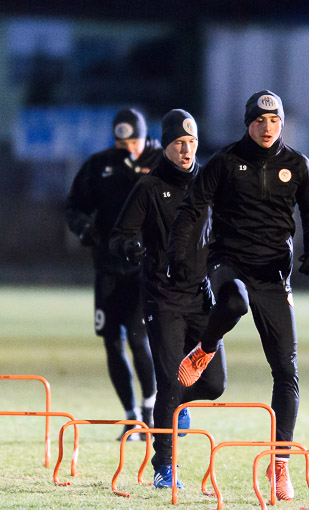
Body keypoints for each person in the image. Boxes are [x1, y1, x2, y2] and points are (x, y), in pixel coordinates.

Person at [168, 91, 309, 501]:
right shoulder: (224, 162)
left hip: (273, 277)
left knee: (287, 370)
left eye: (274, 121)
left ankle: (279, 464)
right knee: (233, 301)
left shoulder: (298, 165)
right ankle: (204, 350)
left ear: (282, 123)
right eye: (259, 121)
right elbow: (191, 208)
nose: (267, 128)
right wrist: (177, 254)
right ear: (248, 123)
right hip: (228, 263)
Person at [110, 109, 226, 489]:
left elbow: (225, 228)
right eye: (179, 143)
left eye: (191, 142)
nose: (186, 150)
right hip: (162, 298)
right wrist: (131, 248)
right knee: (169, 382)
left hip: (201, 297)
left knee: (214, 383)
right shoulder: (149, 187)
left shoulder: (209, 183)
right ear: (166, 146)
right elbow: (119, 236)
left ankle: (177, 404)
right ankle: (163, 465)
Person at [64, 108, 159, 440]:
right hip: (107, 267)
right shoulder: (99, 165)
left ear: (144, 137)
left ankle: (150, 411)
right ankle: (131, 416)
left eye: (133, 142)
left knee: (138, 338)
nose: (127, 149)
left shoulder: (160, 161)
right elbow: (74, 206)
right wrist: (84, 228)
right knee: (112, 342)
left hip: (145, 270)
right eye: (121, 143)